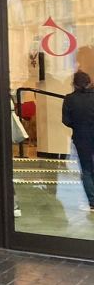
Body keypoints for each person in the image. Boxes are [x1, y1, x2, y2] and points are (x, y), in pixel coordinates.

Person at [62, 70, 94, 213]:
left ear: (74, 84)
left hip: (81, 137)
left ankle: (92, 201)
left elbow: (66, 120)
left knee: (86, 169)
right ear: (89, 82)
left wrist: (77, 125)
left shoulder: (69, 99)